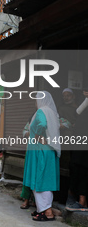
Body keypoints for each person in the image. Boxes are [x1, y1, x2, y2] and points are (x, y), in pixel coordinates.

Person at [23, 91, 60, 221]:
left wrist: (38, 134)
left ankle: (47, 212)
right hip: (48, 150)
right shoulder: (52, 112)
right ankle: (41, 209)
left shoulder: (41, 111)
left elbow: (43, 125)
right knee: (45, 180)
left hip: (39, 150)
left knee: (39, 180)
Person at [66, 89, 88, 211]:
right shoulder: (81, 100)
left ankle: (82, 201)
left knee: (83, 168)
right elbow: (77, 112)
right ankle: (76, 198)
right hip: (79, 138)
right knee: (75, 166)